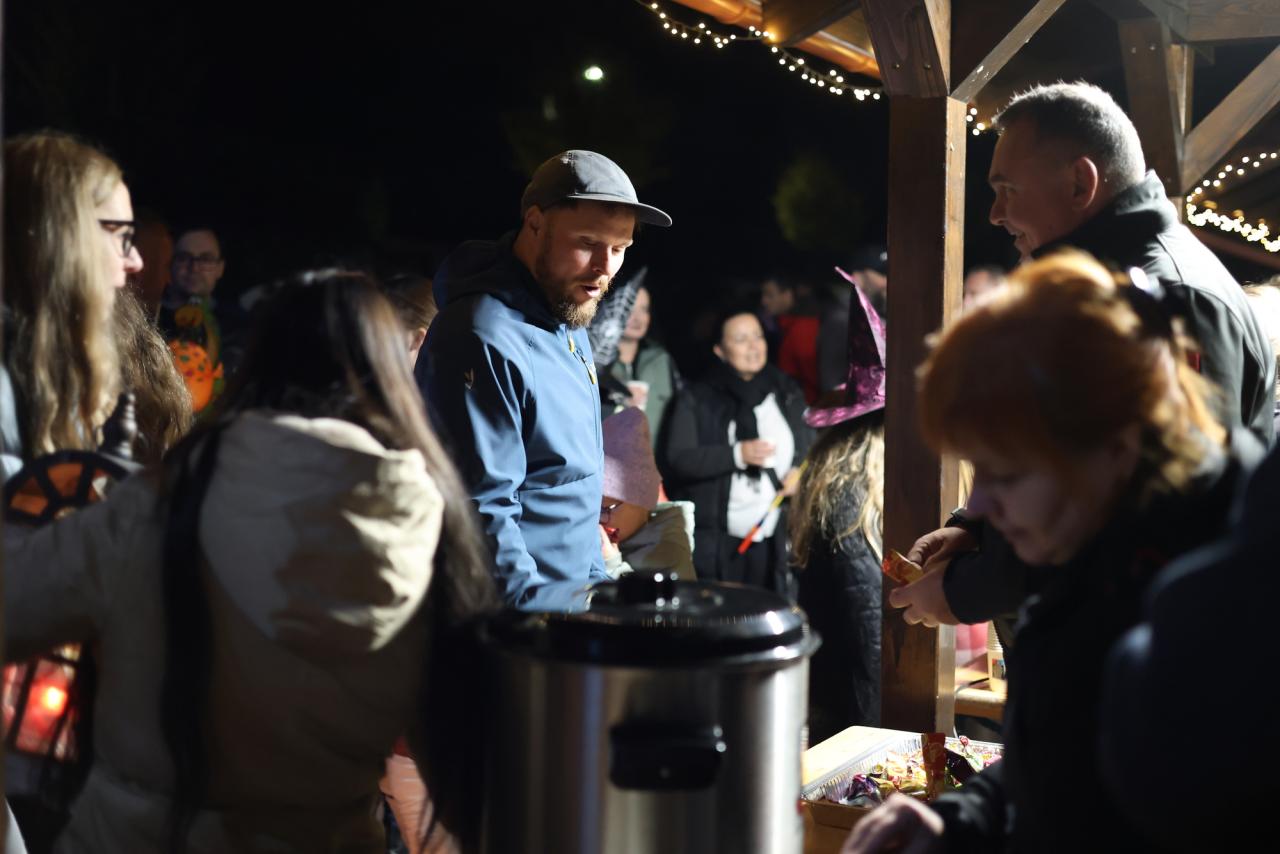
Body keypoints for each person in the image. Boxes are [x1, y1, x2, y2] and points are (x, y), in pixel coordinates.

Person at [3, 270, 499, 853]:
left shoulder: (159, 503)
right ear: (392, 375)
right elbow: (458, 736)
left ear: (258, 363)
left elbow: (16, 601)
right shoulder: (431, 525)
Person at [841, 251, 1259, 854]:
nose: (981, 507)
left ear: (1114, 444)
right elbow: (1059, 757)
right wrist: (958, 821)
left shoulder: (1236, 597)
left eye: (1007, 474)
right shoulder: (1091, 538)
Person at [889, 79, 1276, 646]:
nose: (995, 213)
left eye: (1007, 189)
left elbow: (1151, 514)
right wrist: (978, 530)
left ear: (1080, 182)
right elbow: (1065, 457)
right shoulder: (1106, 286)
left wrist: (968, 589)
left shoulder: (1168, 297)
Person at [422, 149, 671, 609]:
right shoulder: (481, 334)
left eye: (619, 249)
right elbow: (480, 510)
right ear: (535, 223)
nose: (604, 268)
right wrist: (535, 623)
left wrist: (597, 587)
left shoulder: (567, 316)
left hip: (573, 605)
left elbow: (569, 483)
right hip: (521, 623)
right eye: (588, 243)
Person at [791, 284, 886, 739]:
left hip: (838, 692)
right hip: (848, 707)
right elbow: (866, 617)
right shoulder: (851, 493)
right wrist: (878, 728)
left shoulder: (848, 484)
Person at [664, 308, 813, 592]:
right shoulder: (697, 397)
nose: (753, 346)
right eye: (741, 339)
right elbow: (679, 458)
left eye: (758, 336)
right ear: (720, 350)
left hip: (773, 536)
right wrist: (737, 454)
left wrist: (800, 473)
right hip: (718, 541)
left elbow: (808, 442)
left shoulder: (785, 391)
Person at [598, 407, 695, 580]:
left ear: (642, 501)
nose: (598, 519)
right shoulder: (624, 533)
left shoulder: (669, 554)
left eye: (605, 508)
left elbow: (646, 598)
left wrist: (611, 565)